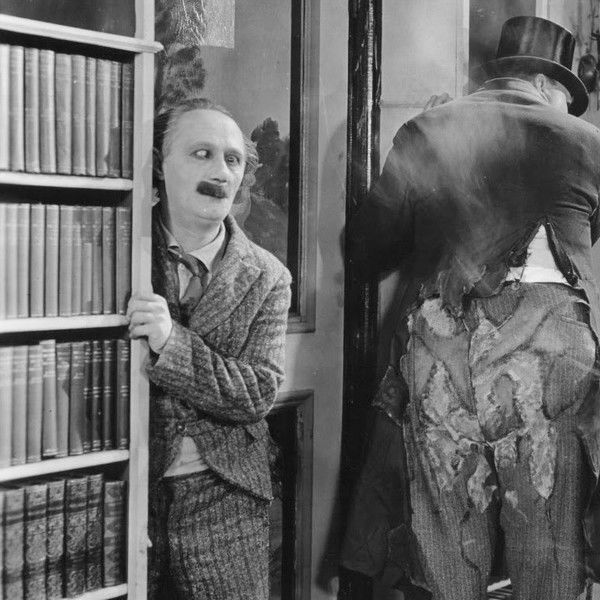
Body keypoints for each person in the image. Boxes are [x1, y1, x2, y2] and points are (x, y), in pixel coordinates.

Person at [341, 16, 600, 600]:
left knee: (449, 537)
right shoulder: (588, 142)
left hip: (444, 340)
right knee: (547, 544)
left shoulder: (429, 128)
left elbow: (366, 248)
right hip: (554, 339)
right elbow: (587, 239)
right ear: (547, 85)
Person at [127, 96, 291, 599]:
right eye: (202, 154)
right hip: (130, 493)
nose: (221, 172)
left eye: (233, 159)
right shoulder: (118, 252)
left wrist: (171, 344)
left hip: (227, 504)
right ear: (159, 165)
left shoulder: (268, 276)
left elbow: (256, 393)